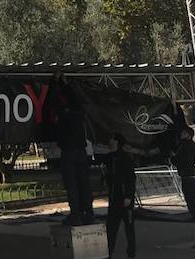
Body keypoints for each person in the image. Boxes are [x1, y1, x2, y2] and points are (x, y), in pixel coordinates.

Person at [52, 74, 94, 226]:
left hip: (69, 151)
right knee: (84, 182)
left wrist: (55, 83)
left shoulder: (63, 114)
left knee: (72, 184)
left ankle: (76, 214)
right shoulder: (79, 112)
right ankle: (88, 213)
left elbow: (53, 100)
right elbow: (75, 99)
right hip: (80, 151)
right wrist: (66, 84)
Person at [171, 126, 195, 249]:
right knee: (192, 208)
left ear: (189, 135)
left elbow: (184, 161)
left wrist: (175, 157)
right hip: (186, 177)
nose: (182, 134)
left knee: (194, 207)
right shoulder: (182, 145)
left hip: (190, 178)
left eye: (184, 132)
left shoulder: (189, 146)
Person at [104, 133, 137, 258]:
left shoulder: (125, 158)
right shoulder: (110, 158)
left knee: (129, 226)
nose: (110, 141)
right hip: (114, 197)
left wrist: (129, 195)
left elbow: (130, 178)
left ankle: (131, 252)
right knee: (111, 227)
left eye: (112, 139)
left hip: (124, 197)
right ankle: (109, 251)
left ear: (117, 142)